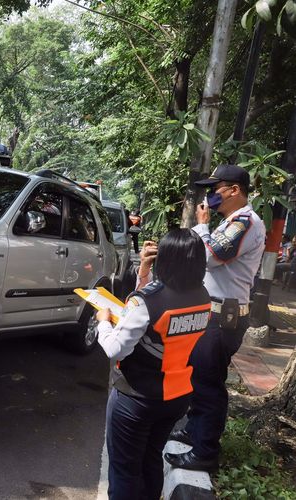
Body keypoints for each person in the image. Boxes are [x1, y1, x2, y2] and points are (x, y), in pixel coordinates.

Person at [164, 164, 266, 472]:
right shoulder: (231, 221)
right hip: (213, 315)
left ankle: (205, 452)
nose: (211, 195)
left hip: (223, 319)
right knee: (199, 379)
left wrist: (201, 225)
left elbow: (209, 257)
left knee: (208, 386)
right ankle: (195, 431)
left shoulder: (245, 221)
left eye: (216, 188)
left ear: (234, 190)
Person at [96, 229, 210, 500]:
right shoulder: (203, 297)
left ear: (167, 260)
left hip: (136, 398)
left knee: (124, 470)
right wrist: (144, 275)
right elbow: (146, 316)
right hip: (176, 396)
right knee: (150, 462)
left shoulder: (147, 301)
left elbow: (115, 348)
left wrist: (102, 320)